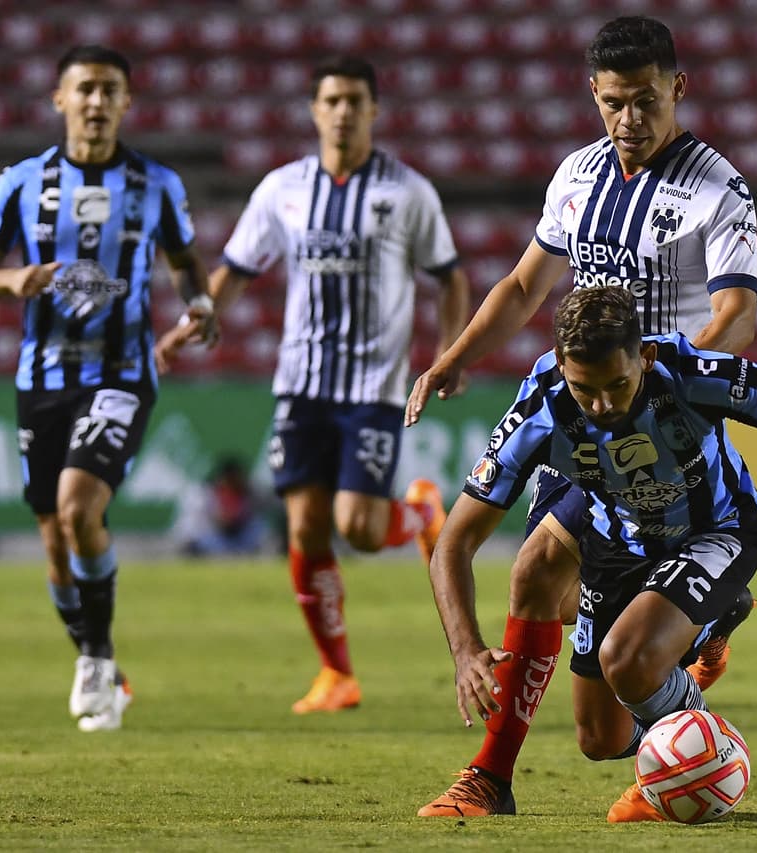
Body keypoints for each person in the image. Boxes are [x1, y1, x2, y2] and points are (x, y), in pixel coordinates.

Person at [411, 16, 757, 816]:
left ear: (678, 88)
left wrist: (672, 384)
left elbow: (737, 315)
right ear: (593, 94)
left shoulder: (718, 188)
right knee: (592, 699)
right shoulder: (576, 175)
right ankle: (692, 648)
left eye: (645, 100)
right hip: (581, 419)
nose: (628, 119)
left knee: (537, 566)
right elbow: (524, 286)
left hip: (660, 440)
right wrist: (458, 354)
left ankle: (491, 776)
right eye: (612, 103)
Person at [424, 287, 757, 822]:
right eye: (584, 389)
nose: (603, 406)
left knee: (627, 660)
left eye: (617, 384)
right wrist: (466, 651)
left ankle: (699, 758)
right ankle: (708, 633)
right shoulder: (539, 410)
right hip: (616, 542)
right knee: (599, 738)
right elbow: (453, 543)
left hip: (715, 532)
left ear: (645, 356)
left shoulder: (695, 374)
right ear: (562, 366)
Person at [156, 55, 470, 714]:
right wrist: (197, 317)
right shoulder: (282, 189)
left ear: (373, 110)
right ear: (314, 110)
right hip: (301, 383)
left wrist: (450, 350)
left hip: (373, 386)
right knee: (304, 529)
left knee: (359, 528)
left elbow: (450, 276)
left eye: (355, 100)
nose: (343, 112)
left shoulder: (407, 191)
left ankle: (418, 512)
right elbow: (237, 268)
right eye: (332, 100)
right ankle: (337, 674)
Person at [0, 44, 216, 733]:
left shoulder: (156, 183)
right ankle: (100, 663)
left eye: (109, 90)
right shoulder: (21, 182)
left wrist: (200, 303)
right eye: (85, 89)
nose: (96, 102)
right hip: (41, 379)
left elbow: (186, 262)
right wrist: (12, 279)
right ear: (60, 99)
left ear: (127, 102)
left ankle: (96, 660)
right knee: (54, 537)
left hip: (122, 371)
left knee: (77, 508)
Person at [175, 455, 268, 557]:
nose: (234, 481)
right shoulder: (204, 494)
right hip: (209, 539)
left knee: (257, 527)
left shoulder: (248, 493)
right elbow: (213, 521)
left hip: (239, 541)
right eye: (231, 478)